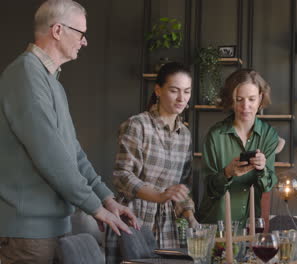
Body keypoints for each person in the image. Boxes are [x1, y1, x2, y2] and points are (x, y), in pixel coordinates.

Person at [0, 1, 138, 263]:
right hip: (30, 234)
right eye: (81, 33)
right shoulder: (25, 75)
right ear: (58, 30)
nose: (84, 42)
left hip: (52, 230)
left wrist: (107, 199)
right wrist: (94, 207)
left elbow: (73, 153)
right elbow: (51, 157)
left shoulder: (50, 81)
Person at [105, 62, 197, 263]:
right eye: (174, 90)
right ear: (158, 90)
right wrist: (159, 195)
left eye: (187, 92)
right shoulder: (138, 125)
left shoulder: (185, 135)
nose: (182, 98)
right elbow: (122, 176)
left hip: (166, 226)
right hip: (132, 219)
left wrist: (190, 217)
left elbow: (180, 187)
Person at [197, 69, 279, 225]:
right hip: (215, 223)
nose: (245, 106)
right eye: (239, 99)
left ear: (260, 98)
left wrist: (262, 169)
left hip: (250, 225)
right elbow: (209, 188)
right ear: (231, 100)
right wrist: (227, 173)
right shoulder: (215, 135)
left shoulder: (269, 135)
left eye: (252, 99)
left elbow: (268, 185)